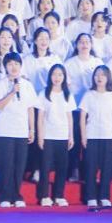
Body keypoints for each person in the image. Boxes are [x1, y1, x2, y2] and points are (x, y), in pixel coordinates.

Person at [0, 53, 36, 208]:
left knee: (19, 165)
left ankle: (16, 195)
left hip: (21, 129)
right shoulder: (0, 84)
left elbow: (30, 108)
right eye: (10, 64)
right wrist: (12, 92)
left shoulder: (27, 85)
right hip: (4, 130)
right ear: (5, 67)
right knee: (6, 164)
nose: (14, 67)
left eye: (16, 64)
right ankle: (4, 196)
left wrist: (32, 129)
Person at [80, 66, 112, 207]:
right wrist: (83, 135)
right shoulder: (88, 95)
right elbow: (82, 117)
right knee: (90, 167)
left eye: (103, 75)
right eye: (97, 75)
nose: (99, 78)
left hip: (108, 135)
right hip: (91, 134)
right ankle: (90, 196)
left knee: (107, 167)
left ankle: (104, 196)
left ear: (108, 78)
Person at [35, 64, 73, 207]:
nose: (57, 78)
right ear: (50, 76)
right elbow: (40, 117)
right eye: (54, 74)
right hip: (48, 135)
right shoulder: (44, 94)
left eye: (60, 75)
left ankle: (59, 195)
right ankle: (44, 195)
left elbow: (69, 117)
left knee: (62, 167)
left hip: (62, 135)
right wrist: (40, 136)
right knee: (45, 167)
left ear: (64, 77)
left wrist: (71, 136)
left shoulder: (67, 94)